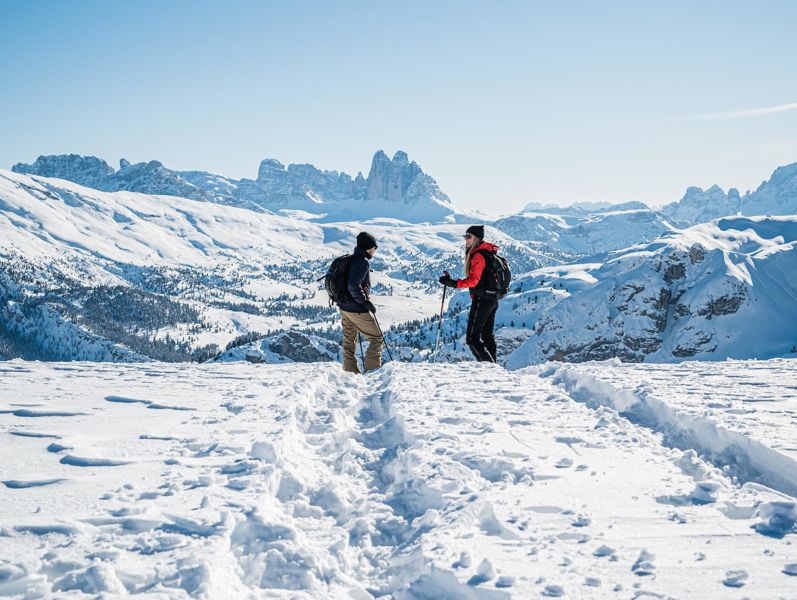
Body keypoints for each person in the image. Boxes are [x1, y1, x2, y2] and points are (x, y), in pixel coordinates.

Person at [439, 225, 499, 362]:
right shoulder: (488, 252)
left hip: (482, 299)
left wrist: (453, 283)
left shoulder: (478, 255)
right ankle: (494, 367)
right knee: (487, 336)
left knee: (472, 338)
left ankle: (490, 367)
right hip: (492, 299)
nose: (466, 239)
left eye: (469, 236)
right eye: (465, 236)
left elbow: (473, 281)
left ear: (477, 238)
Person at [337, 232, 384, 373]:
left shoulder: (351, 259)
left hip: (344, 307)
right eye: (375, 248)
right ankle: (372, 373)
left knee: (349, 341)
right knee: (377, 339)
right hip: (356, 309)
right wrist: (364, 301)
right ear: (370, 248)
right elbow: (353, 285)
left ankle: (350, 373)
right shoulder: (362, 262)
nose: (375, 251)